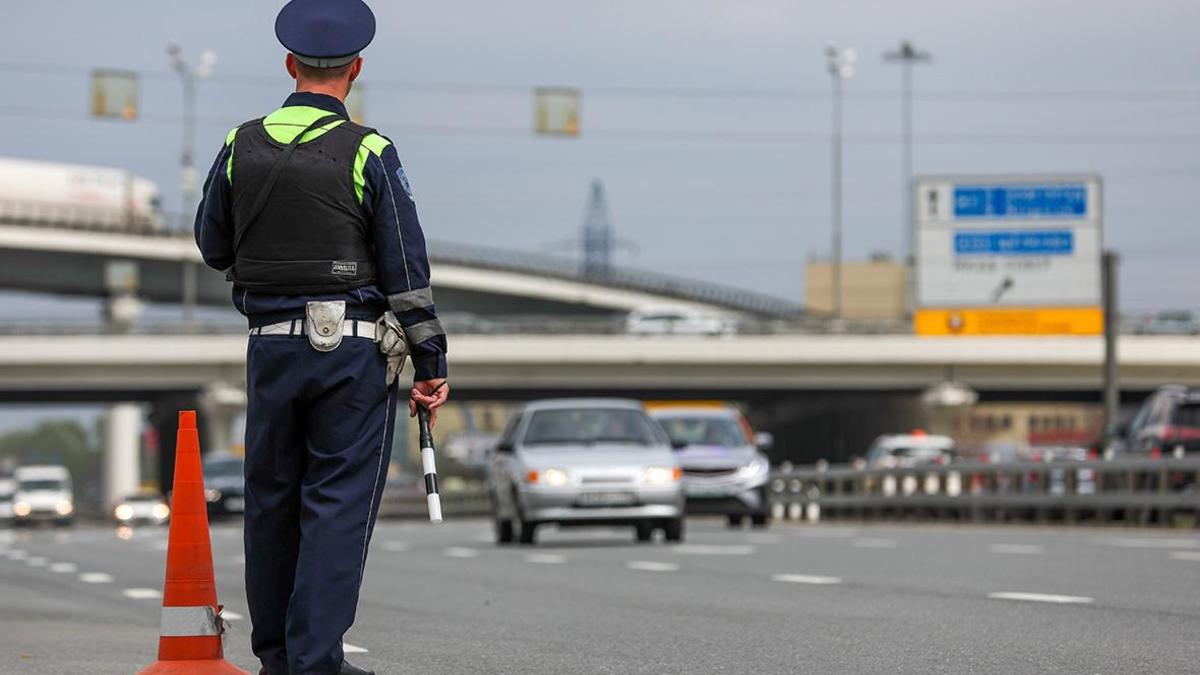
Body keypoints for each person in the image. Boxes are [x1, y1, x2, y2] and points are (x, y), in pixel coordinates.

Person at [193, 1, 448, 673]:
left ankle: (278, 658)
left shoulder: (237, 145)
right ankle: (314, 661)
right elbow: (404, 265)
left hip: (270, 347)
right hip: (351, 356)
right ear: (355, 69)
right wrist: (430, 359)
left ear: (289, 64)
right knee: (334, 503)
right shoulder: (370, 149)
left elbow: (212, 245)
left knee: (270, 498)